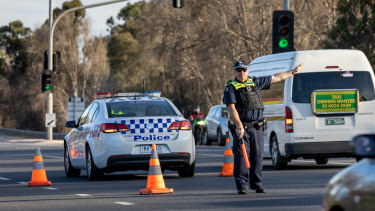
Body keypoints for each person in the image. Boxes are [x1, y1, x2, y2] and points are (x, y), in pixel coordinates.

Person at [223, 60, 304, 194]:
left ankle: (257, 184)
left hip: (257, 127)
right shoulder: (231, 87)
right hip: (242, 128)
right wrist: (238, 126)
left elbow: (276, 77)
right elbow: (231, 108)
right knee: (241, 158)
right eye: (239, 70)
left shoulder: (254, 82)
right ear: (235, 72)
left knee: (258, 156)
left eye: (244, 70)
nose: (242, 72)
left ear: (247, 71)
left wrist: (293, 72)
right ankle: (242, 186)